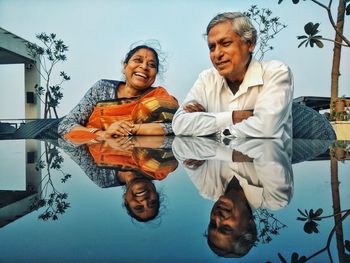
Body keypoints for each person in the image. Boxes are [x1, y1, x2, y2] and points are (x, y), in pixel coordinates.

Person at [172, 12, 294, 140]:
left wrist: (209, 125)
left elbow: (267, 128)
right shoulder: (207, 78)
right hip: (214, 157)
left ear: (250, 43)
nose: (217, 54)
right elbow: (180, 124)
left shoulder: (276, 72)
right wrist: (234, 117)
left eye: (225, 43)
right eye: (212, 47)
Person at [172, 136, 293, 257]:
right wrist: (208, 150)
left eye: (213, 224)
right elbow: (269, 147)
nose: (217, 218)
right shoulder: (275, 198)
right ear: (250, 225)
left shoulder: (208, 188)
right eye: (226, 228)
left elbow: (180, 147)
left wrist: (231, 153)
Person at [58, 43, 179, 142]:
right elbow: (66, 126)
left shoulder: (159, 99)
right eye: (138, 60)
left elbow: (176, 126)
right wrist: (102, 134)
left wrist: (129, 129)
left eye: (151, 65)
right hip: (93, 153)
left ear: (155, 74)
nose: (144, 67)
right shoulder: (102, 89)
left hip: (142, 161)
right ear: (125, 66)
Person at [59, 136, 178, 222]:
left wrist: (101, 134)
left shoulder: (102, 178)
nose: (144, 201)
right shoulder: (161, 166)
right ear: (156, 193)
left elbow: (72, 146)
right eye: (152, 202)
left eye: (138, 207)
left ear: (126, 201)